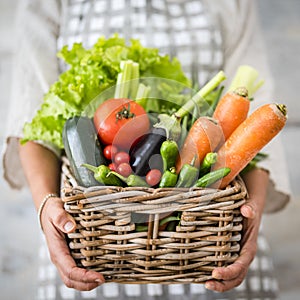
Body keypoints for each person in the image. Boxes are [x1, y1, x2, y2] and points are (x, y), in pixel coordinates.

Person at [3, 0, 290, 299]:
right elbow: (30, 119)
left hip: (210, 243)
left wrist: (251, 213)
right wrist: (47, 205)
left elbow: (256, 125)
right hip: (91, 243)